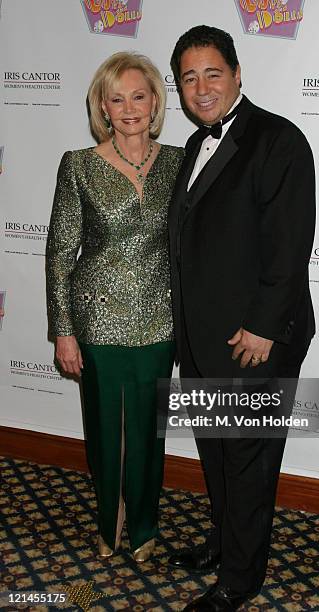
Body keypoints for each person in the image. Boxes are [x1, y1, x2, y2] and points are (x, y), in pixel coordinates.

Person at [168, 26, 316, 610]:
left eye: (213, 73)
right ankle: (225, 545)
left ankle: (240, 579)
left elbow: (288, 245)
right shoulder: (191, 146)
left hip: (254, 338)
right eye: (188, 77)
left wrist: (262, 326)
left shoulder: (278, 140)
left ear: (236, 74)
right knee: (216, 452)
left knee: (249, 460)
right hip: (203, 337)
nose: (201, 88)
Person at [46, 51, 183, 561]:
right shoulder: (78, 165)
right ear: (102, 106)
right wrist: (63, 329)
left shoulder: (179, 162)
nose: (129, 108)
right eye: (117, 98)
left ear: (154, 102)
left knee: (149, 430)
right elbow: (60, 253)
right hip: (96, 317)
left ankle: (145, 524)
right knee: (105, 429)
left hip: (159, 316)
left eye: (138, 96)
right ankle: (110, 520)